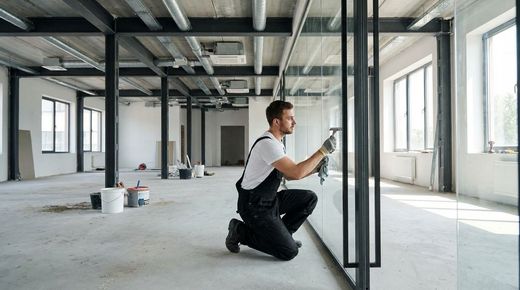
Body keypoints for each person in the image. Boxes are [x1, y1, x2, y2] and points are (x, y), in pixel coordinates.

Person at [225, 100, 336, 261]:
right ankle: (240, 231)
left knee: (309, 198)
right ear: (276, 122)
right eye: (290, 118)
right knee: (288, 252)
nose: (294, 122)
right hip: (254, 207)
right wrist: (323, 151)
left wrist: (316, 168)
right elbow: (296, 172)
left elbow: (290, 175)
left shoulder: (276, 143)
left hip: (268, 201)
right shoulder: (268, 145)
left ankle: (285, 236)